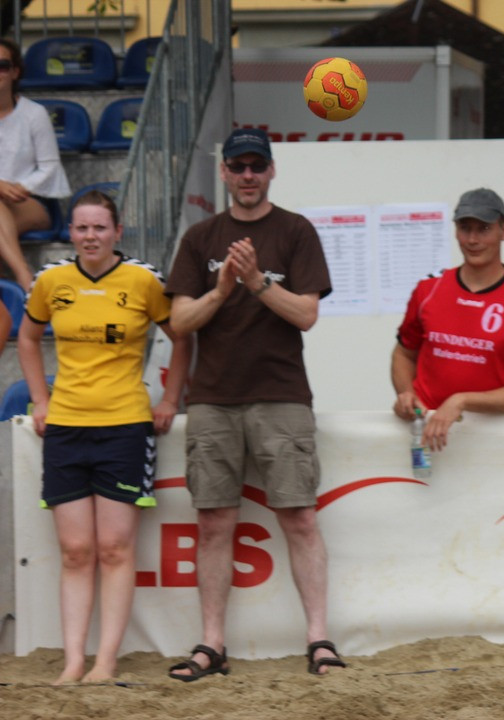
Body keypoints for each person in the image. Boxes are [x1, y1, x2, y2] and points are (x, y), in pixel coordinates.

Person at [164, 128, 345, 679]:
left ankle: (319, 640)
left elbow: (307, 315)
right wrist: (221, 291)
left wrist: (256, 282)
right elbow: (179, 323)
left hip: (282, 395)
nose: (247, 175)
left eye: (255, 166)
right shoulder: (200, 237)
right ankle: (212, 645)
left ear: (271, 170)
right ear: (223, 173)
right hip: (214, 398)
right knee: (215, 522)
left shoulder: (295, 230)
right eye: (238, 166)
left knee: (299, 518)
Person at [16, 190, 191, 684]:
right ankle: (74, 660)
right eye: (81, 228)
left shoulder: (143, 279)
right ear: (69, 233)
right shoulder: (52, 281)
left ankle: (106, 661)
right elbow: (28, 339)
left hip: (125, 428)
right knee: (75, 551)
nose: (90, 236)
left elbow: (184, 337)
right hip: (67, 428)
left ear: (117, 231)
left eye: (99, 227)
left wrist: (170, 400)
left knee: (114, 549)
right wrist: (40, 400)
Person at [391, 188, 504, 451]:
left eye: (484, 229)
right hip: (428, 441)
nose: (473, 239)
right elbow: (403, 354)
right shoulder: (428, 288)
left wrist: (462, 401)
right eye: (465, 228)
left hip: (498, 444)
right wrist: (406, 394)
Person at [0, 38, 71, 292]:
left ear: (15, 71)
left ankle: (22, 278)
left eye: (3, 65)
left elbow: (50, 167)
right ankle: (26, 284)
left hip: (32, 202)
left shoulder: (34, 114)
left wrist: (18, 188)